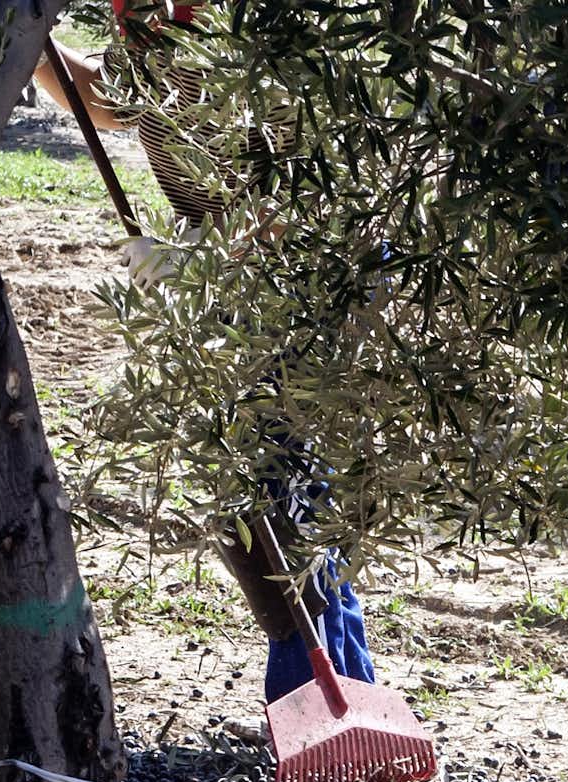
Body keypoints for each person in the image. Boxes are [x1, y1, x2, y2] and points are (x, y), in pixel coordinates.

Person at [33, 3, 377, 704]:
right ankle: (338, 688)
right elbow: (109, 100)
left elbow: (304, 195)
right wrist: (31, 47)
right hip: (231, 277)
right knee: (267, 487)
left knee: (270, 492)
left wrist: (192, 259)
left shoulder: (262, 38)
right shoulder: (151, 33)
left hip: (312, 276)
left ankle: (314, 693)